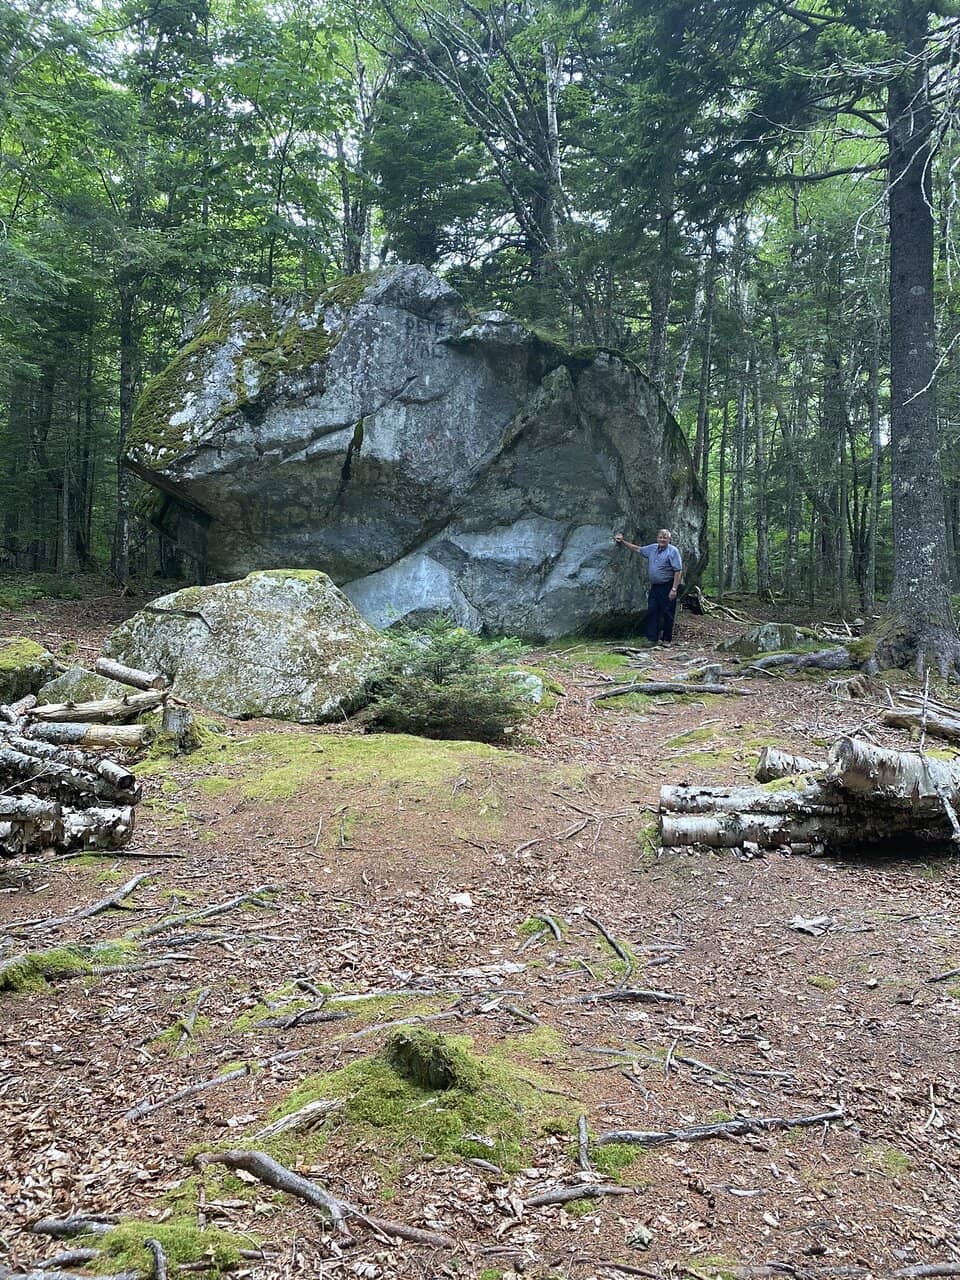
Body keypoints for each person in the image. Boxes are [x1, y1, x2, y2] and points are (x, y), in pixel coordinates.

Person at [615, 528, 682, 645]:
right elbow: (638, 549)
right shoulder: (652, 548)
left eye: (665, 538)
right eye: (660, 537)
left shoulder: (673, 551)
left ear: (669, 540)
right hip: (655, 587)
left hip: (668, 586)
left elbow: (678, 570)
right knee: (652, 611)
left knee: (667, 613)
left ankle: (666, 639)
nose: (662, 539)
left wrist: (674, 589)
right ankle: (652, 639)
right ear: (657, 538)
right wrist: (623, 541)